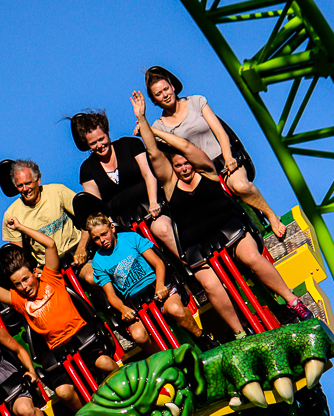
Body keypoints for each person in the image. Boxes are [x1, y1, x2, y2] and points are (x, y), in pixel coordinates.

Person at [131, 89, 313, 337]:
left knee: (251, 257)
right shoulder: (171, 184)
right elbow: (154, 154)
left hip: (227, 226)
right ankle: (240, 332)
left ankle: (293, 302)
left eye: (186, 163)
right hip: (197, 242)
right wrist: (142, 120)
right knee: (211, 285)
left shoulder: (206, 170)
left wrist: (154, 130)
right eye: (178, 165)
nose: (184, 168)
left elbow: (185, 145)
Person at [0, 220, 118, 412]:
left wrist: (20, 228)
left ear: (35, 272)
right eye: (17, 284)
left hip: (83, 336)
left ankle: (130, 392)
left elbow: (50, 244)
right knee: (64, 392)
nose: (24, 287)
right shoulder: (20, 300)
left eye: (25, 279)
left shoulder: (51, 278)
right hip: (59, 349)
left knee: (104, 363)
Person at [144, 66, 286, 238]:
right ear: (153, 100)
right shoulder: (159, 126)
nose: (165, 95)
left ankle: (270, 214)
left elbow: (220, 131)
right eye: (158, 94)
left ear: (173, 87)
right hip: (199, 175)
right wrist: (145, 129)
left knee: (240, 186)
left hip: (221, 161)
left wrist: (228, 157)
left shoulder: (196, 102)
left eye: (166, 89)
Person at [86, 212, 216, 354]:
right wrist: (123, 309)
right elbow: (111, 296)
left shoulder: (131, 238)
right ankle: (165, 360)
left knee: (175, 309)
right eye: (96, 238)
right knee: (138, 335)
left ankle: (203, 339)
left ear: (112, 228)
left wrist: (160, 285)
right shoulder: (99, 261)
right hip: (134, 302)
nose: (102, 240)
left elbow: (158, 263)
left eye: (104, 234)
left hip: (155, 286)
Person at [73, 110, 179, 258]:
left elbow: (148, 174)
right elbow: (97, 206)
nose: (99, 145)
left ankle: (187, 265)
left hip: (150, 208)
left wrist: (153, 202)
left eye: (101, 139)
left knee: (163, 229)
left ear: (107, 133)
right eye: (93, 143)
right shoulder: (87, 169)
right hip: (121, 224)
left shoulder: (130, 144)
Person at [1, 159, 96, 286]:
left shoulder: (57, 192)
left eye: (28, 183)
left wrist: (82, 248)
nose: (25, 189)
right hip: (49, 267)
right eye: (20, 185)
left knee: (91, 278)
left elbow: (88, 219)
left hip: (76, 251)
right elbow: (19, 258)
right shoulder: (12, 214)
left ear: (38, 180)